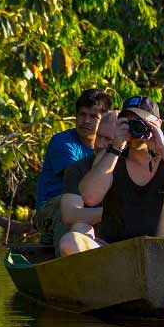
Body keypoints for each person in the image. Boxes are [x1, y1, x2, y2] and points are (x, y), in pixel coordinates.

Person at [63, 96, 164, 254]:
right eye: (129, 122)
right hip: (115, 255)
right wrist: (116, 146)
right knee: (70, 241)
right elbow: (90, 197)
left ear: (158, 124)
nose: (136, 128)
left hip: (162, 255)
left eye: (142, 122)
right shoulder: (109, 157)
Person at [33, 89, 113, 246]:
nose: (86, 121)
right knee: (72, 203)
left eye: (93, 117)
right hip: (52, 208)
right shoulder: (63, 142)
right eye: (82, 114)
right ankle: (66, 252)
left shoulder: (110, 146)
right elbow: (81, 186)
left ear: (104, 121)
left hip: (88, 207)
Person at [55, 109, 119, 255]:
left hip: (127, 241)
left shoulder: (134, 167)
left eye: (108, 139)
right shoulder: (77, 168)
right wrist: (115, 213)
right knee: (80, 227)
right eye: (98, 136)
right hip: (93, 242)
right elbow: (70, 215)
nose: (100, 144)